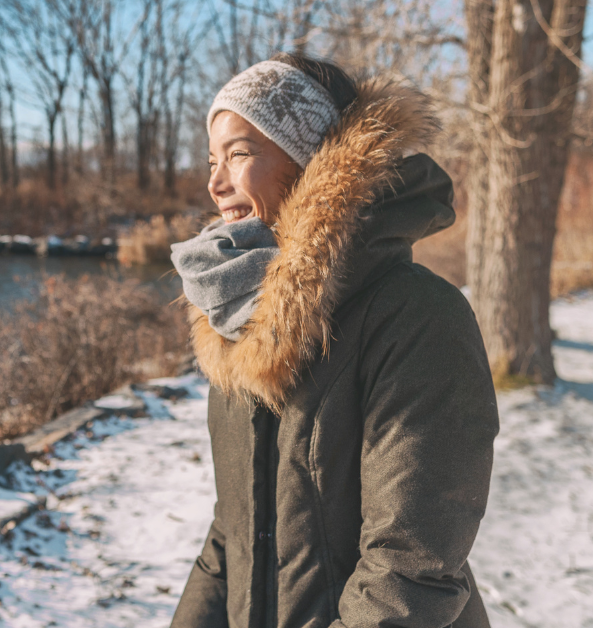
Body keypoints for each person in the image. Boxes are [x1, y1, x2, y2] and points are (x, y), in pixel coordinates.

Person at [168, 52, 499, 628]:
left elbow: (410, 570)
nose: (215, 182)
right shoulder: (239, 321)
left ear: (313, 162)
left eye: (240, 153)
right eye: (213, 159)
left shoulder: (419, 317)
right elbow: (233, 534)